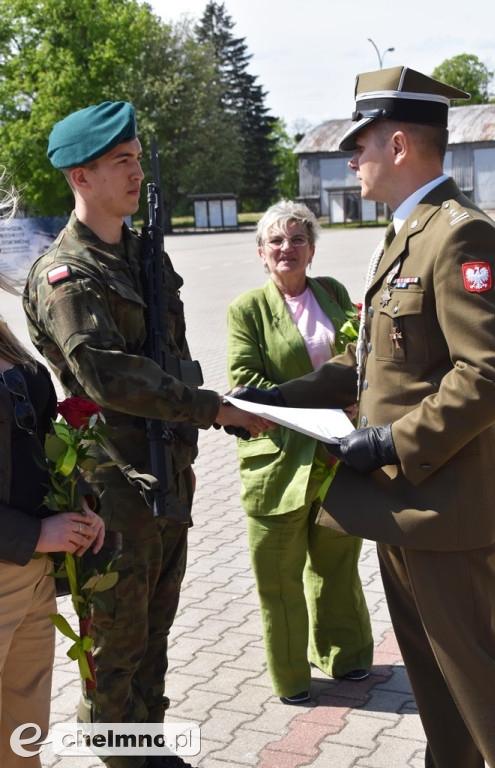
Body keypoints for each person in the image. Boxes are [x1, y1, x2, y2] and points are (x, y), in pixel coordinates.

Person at [232, 66, 495, 768]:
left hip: (445, 511)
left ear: (396, 145)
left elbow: (492, 373)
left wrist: (390, 438)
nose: (349, 158)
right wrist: (270, 399)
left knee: (482, 690)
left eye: (358, 145)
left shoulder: (459, 236)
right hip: (401, 503)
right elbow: (366, 367)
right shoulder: (401, 238)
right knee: (437, 689)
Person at [22, 102, 270, 768]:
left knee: (156, 636)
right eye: (120, 162)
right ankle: (122, 756)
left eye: (136, 159)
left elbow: (170, 358)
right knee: (115, 647)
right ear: (82, 177)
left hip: (167, 475)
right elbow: (111, 377)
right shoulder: (67, 275)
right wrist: (213, 408)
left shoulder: (140, 255)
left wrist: (218, 403)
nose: (136, 173)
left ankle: (148, 747)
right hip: (113, 489)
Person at [227, 200, 373, 704]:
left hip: (336, 455)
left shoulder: (333, 293)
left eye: (297, 238)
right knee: (280, 578)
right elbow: (245, 382)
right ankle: (292, 678)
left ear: (312, 248)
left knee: (337, 565)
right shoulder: (247, 309)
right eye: (276, 241)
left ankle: (346, 656)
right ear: (261, 252)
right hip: (280, 460)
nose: (287, 248)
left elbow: (360, 356)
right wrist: (315, 402)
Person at [0, 174, 105, 768]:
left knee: (22, 742)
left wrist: (78, 499)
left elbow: (38, 442)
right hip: (15, 555)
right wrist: (35, 534)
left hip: (31, 579)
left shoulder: (7, 340)